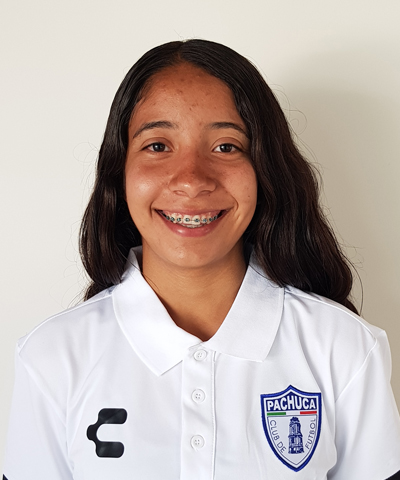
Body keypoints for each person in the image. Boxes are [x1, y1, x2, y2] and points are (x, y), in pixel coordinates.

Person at [3, 39, 400, 480]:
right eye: (158, 146)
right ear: (120, 171)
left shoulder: (345, 348)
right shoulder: (51, 357)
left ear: (265, 169)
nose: (191, 180)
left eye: (226, 147)